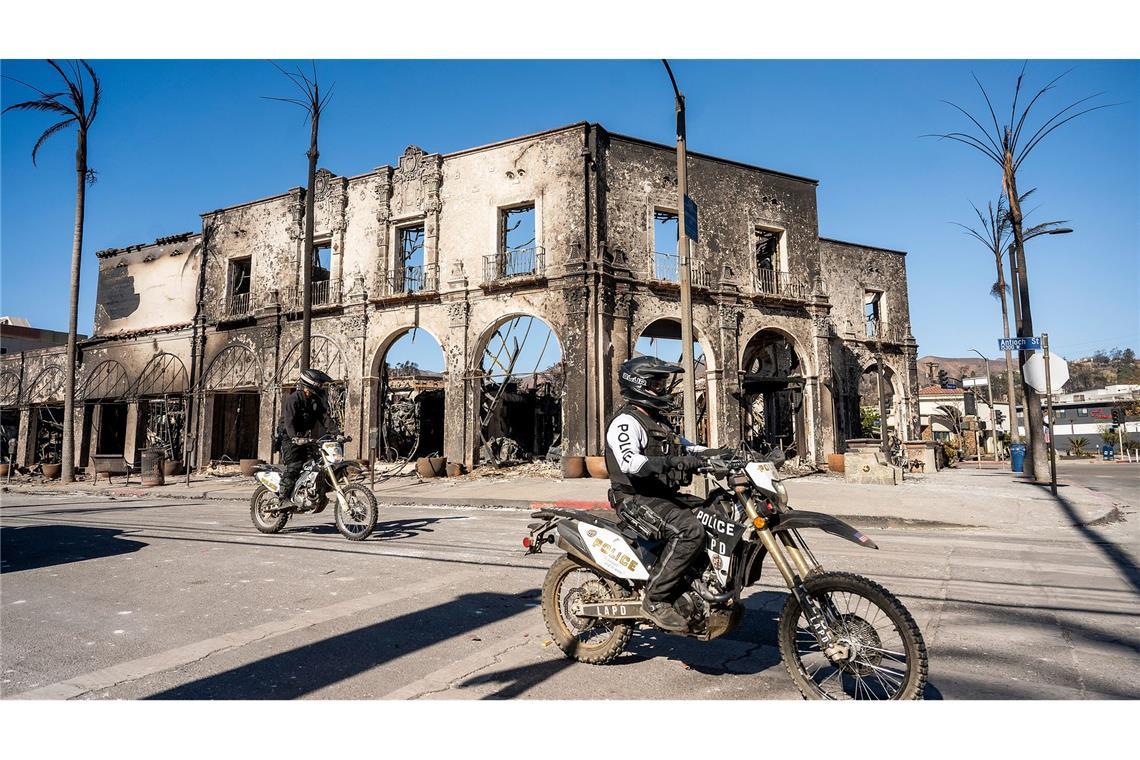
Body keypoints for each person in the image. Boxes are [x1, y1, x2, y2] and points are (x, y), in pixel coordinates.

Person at [604, 356, 728, 632]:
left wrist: (721, 454)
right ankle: (656, 598)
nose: (663, 389)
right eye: (657, 384)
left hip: (660, 495)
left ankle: (697, 583)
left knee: (717, 513)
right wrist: (675, 462)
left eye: (663, 383)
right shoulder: (626, 422)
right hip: (636, 499)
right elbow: (630, 463)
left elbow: (689, 448)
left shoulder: (659, 422)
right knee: (690, 531)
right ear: (640, 385)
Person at [276, 368, 336, 506]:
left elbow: (325, 418)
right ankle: (283, 498)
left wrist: (337, 434)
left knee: (316, 464)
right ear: (311, 383)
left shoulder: (314, 401)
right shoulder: (294, 398)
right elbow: (289, 421)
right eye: (319, 384)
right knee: (295, 466)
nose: (321, 386)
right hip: (289, 438)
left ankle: (311, 493)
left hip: (304, 439)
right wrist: (294, 438)